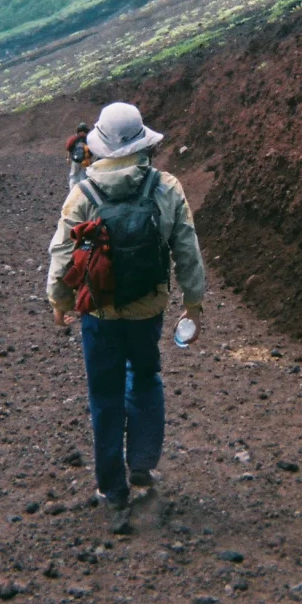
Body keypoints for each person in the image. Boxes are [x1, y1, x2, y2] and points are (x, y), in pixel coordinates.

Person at [46, 102, 205, 533]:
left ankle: (112, 486)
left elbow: (62, 254)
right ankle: (143, 463)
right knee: (146, 375)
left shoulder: (83, 194)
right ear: (141, 143)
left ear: (99, 145)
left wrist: (59, 301)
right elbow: (186, 247)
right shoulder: (166, 186)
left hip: (99, 310)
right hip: (148, 308)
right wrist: (194, 301)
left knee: (104, 395)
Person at [65, 122, 91, 189]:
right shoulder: (87, 139)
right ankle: (83, 193)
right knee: (83, 176)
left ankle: (73, 192)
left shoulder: (74, 138)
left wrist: (68, 158)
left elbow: (69, 148)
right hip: (85, 160)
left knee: (74, 176)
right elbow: (91, 151)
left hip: (75, 160)